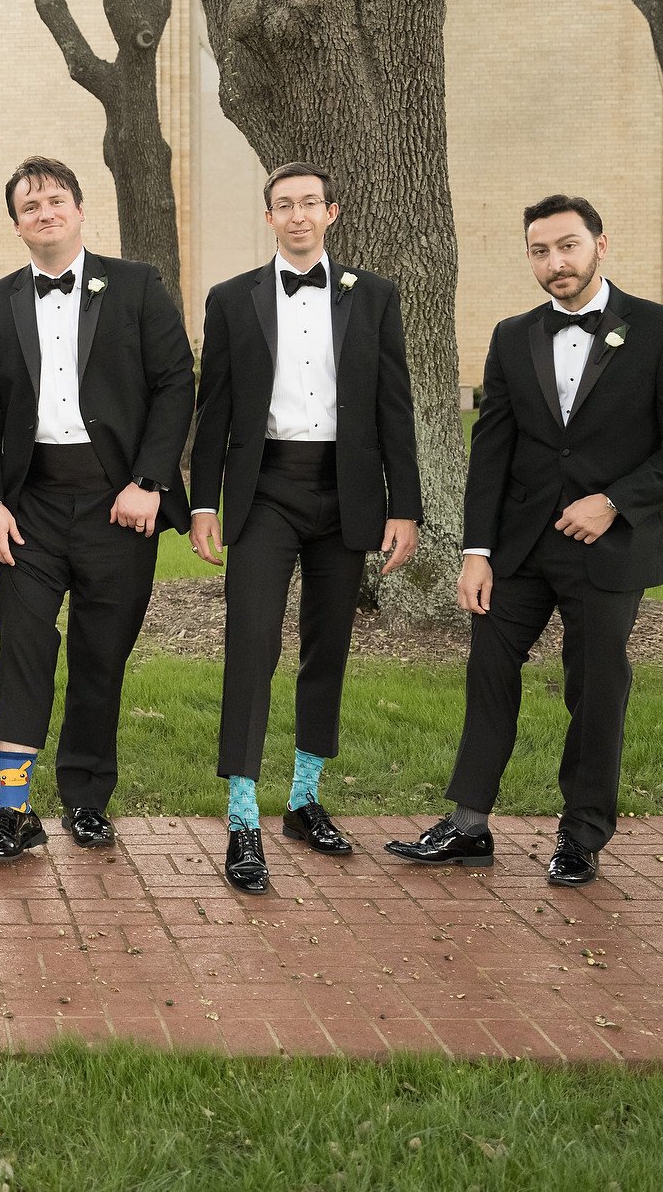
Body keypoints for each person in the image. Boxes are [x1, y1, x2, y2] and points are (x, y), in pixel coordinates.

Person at [389, 195, 663, 886]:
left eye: (568, 246)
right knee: (487, 671)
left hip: (611, 546)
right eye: (540, 251)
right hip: (518, 547)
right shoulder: (513, 336)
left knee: (595, 686)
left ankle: (582, 834)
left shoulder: (662, 331)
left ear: (602, 244)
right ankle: (469, 824)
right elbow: (493, 450)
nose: (555, 262)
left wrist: (614, 503)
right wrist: (476, 551)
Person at [188, 163, 421, 894]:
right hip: (266, 492)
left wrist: (403, 505)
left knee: (328, 646)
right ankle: (242, 817)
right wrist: (203, 504)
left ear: (332, 212)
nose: (297, 215)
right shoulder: (232, 300)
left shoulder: (374, 296)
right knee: (251, 645)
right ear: (268, 218)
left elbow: (394, 406)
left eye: (309, 204)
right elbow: (214, 407)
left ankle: (304, 799)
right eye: (283, 205)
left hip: (347, 493)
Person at [0, 156, 194, 864]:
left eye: (55, 200)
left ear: (80, 209)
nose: (44, 213)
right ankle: (13, 809)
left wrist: (149, 481)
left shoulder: (136, 285)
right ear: (16, 224)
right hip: (27, 505)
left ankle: (88, 801)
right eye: (30, 206)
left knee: (102, 655)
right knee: (24, 647)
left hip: (117, 504)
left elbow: (175, 383)